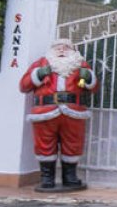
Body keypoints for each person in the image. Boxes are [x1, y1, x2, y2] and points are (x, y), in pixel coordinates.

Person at [19, 38, 99, 192]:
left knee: (73, 144)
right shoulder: (40, 64)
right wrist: (39, 74)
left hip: (73, 112)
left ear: (73, 51)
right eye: (58, 47)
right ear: (51, 50)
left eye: (66, 47)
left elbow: (94, 88)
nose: (62, 50)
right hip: (45, 111)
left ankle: (70, 177)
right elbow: (24, 85)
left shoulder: (80, 65)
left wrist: (89, 78)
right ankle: (47, 178)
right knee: (44, 144)